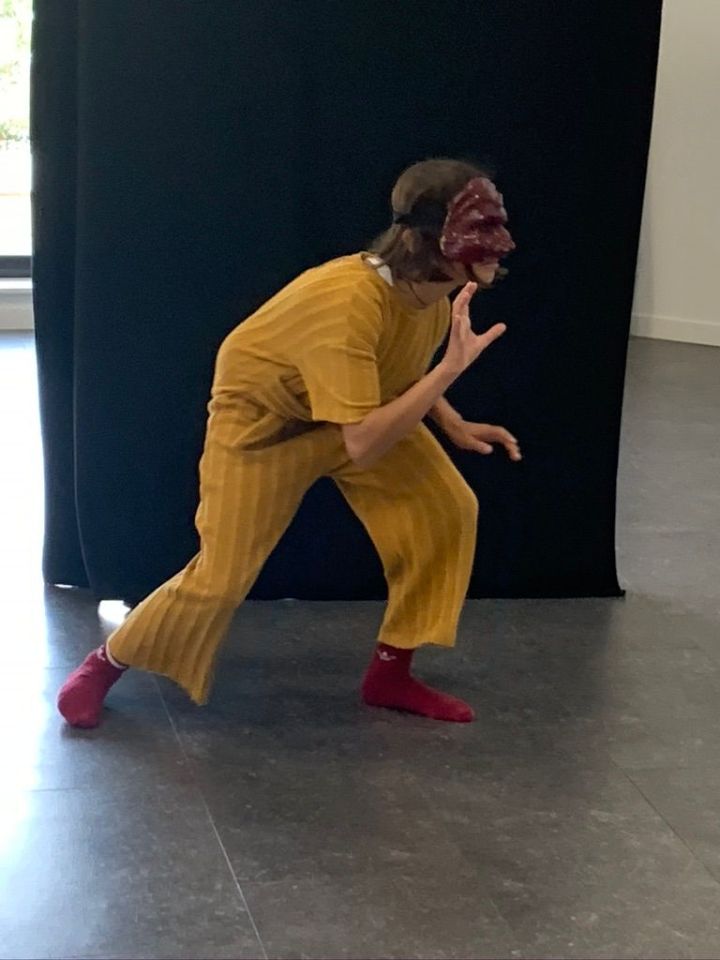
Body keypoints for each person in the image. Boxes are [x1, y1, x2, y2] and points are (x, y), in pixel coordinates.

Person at [57, 157, 520, 729]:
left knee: (445, 510)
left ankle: (390, 673)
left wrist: (453, 422)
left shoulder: (430, 295)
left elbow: (394, 373)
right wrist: (449, 371)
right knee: (221, 575)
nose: (500, 245)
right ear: (426, 240)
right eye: (480, 229)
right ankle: (105, 663)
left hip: (355, 417)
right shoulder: (347, 303)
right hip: (266, 431)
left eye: (497, 225)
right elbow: (364, 443)